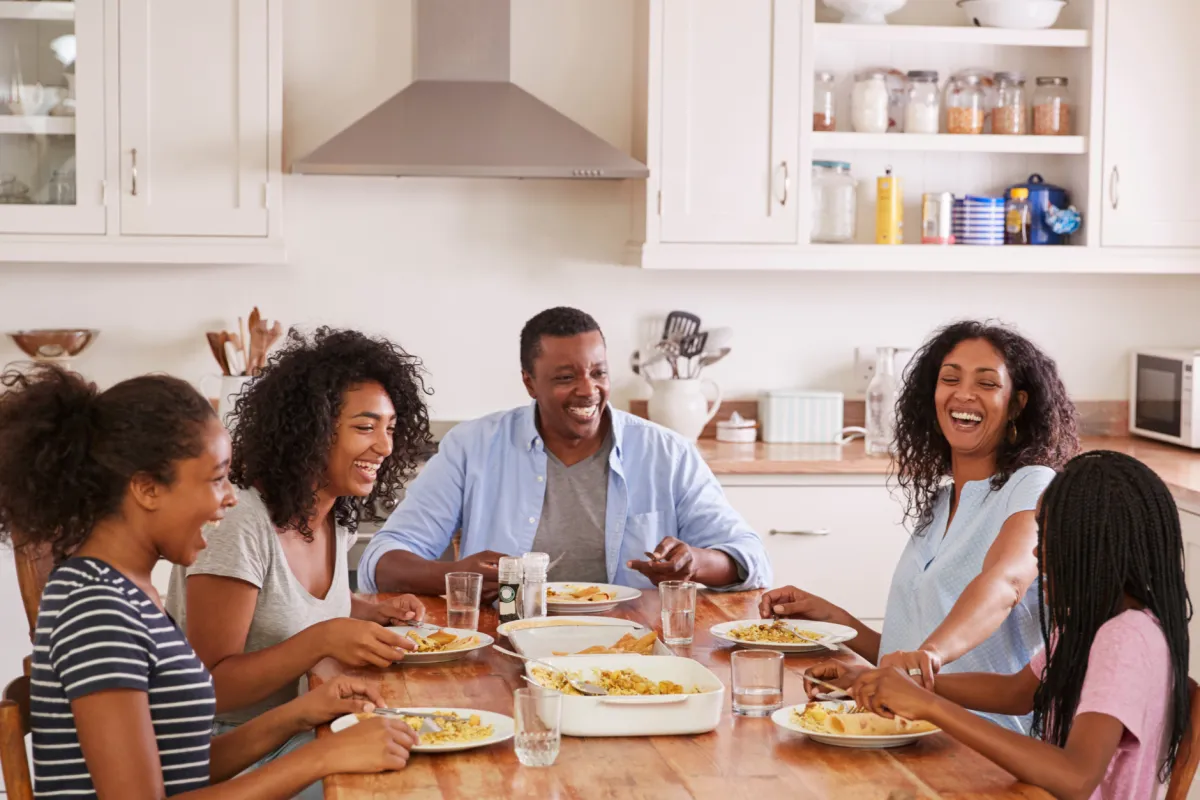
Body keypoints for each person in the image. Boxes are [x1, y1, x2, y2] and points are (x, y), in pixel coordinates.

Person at [0, 365, 417, 799]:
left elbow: (182, 767)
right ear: (147, 488)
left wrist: (301, 713)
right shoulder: (97, 609)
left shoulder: (126, 591)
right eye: (216, 478)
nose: (231, 497)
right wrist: (321, 758)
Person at [761, 320, 1079, 732]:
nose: (963, 394)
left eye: (986, 384)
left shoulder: (1032, 485)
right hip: (911, 730)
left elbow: (1007, 583)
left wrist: (929, 654)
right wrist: (833, 619)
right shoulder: (942, 502)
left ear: (1017, 404)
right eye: (950, 379)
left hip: (983, 747)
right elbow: (908, 662)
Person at [836, 451, 1190, 800]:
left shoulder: (1125, 638)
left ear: (1098, 550)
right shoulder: (1092, 624)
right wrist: (904, 685)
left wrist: (929, 706)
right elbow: (1017, 693)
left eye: (1051, 539)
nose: (1037, 553)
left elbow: (1076, 777)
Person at [357, 306, 771, 598]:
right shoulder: (472, 447)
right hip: (507, 644)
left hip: (635, 649)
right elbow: (381, 562)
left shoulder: (667, 453)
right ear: (529, 382)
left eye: (598, 372)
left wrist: (694, 562)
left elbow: (751, 559)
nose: (588, 389)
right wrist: (454, 575)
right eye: (565, 377)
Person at [167, 329, 432, 778]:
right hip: (228, 752)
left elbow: (281, 607)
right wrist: (324, 639)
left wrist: (368, 611)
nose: (385, 447)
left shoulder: (334, 510)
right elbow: (209, 688)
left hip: (306, 728)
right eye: (365, 427)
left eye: (390, 428)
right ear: (311, 430)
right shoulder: (240, 521)